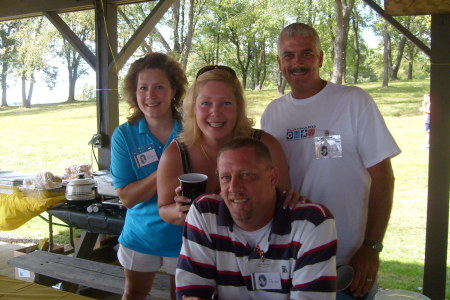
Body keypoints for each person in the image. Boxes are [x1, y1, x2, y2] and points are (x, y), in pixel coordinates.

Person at [261, 23, 401, 300]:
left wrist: (371, 247)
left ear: (321, 58)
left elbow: (384, 177)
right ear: (279, 62)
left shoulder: (353, 102)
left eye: (306, 54)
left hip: (347, 261)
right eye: (289, 55)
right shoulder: (273, 114)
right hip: (291, 256)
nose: (297, 63)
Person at [175, 137, 337, 299]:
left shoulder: (311, 224)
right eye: (225, 177)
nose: (233, 187)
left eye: (246, 175)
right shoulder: (205, 213)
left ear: (272, 177)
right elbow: (190, 293)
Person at [157, 65, 300, 227]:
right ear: (193, 108)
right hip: (203, 246)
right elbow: (163, 209)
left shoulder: (266, 145)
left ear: (238, 107)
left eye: (226, 103)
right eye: (206, 103)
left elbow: (284, 199)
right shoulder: (175, 154)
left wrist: (292, 200)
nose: (215, 112)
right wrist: (180, 212)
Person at [110, 52, 187, 300]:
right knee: (133, 294)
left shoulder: (191, 130)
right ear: (134, 93)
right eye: (143, 88)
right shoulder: (124, 135)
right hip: (140, 237)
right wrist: (167, 169)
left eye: (159, 87)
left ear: (174, 90)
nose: (150, 96)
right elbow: (127, 198)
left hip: (185, 236)